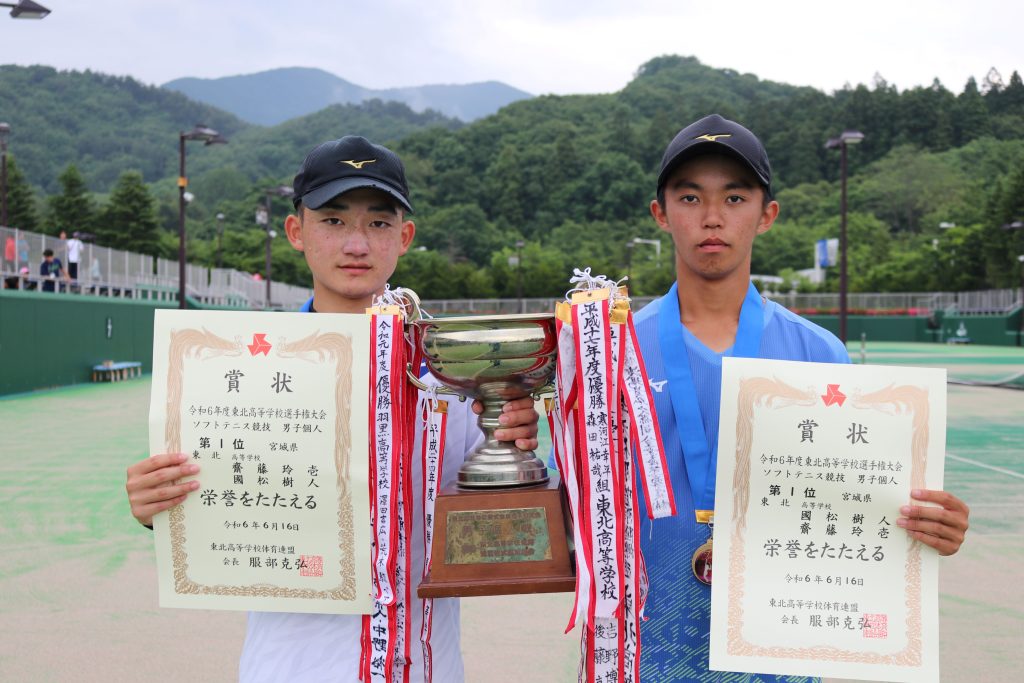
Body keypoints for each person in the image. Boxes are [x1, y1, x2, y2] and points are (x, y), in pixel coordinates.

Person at [125, 136, 540, 682]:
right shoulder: (240, 370)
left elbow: (499, 528)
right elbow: (213, 503)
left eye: (379, 222)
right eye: (335, 220)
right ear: (297, 232)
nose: (357, 244)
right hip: (290, 667)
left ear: (405, 237)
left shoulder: (451, 375)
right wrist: (160, 503)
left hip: (423, 666)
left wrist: (513, 447)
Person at [632, 114, 970, 682]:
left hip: (778, 654)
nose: (712, 217)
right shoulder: (615, 353)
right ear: (661, 214)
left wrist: (928, 527)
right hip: (644, 649)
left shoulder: (820, 355)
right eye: (690, 197)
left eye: (735, 197)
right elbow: (573, 504)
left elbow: (857, 504)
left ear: (767, 216)